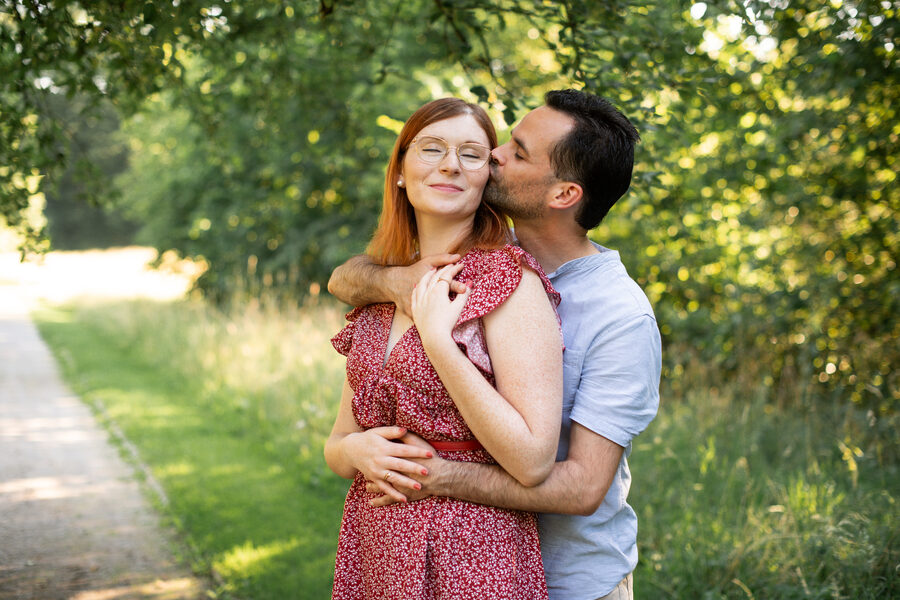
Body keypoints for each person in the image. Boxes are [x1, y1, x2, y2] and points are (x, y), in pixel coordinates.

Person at [328, 89, 662, 600]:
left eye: (518, 152)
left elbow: (582, 486)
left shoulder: (620, 316)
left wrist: (436, 474)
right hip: (395, 550)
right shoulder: (451, 266)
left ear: (563, 195)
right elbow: (347, 279)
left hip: (568, 577)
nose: (495, 155)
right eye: (504, 143)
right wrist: (397, 285)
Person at [323, 97, 564, 599]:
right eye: (432, 148)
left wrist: (439, 342)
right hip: (378, 547)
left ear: (485, 179)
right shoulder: (384, 285)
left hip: (473, 556)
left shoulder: (508, 282)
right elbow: (338, 441)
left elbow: (533, 461)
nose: (451, 164)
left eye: (472, 154)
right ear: (401, 172)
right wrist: (355, 449)